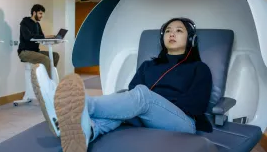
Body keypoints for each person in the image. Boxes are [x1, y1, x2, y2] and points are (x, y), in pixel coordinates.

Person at [30, 17, 213, 152]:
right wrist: (141, 107)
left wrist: (154, 103)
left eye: (179, 30)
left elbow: (196, 105)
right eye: (167, 30)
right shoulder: (148, 65)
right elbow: (132, 93)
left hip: (182, 122)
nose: (172, 33)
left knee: (140, 96)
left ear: (191, 39)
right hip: (145, 114)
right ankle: (88, 132)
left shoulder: (199, 68)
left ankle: (74, 103)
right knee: (123, 103)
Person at [18, 4, 60, 77]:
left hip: (35, 51)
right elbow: (28, 37)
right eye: (40, 13)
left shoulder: (37, 24)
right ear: (34, 13)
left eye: (42, 14)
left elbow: (41, 38)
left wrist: (52, 39)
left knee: (55, 56)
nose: (41, 16)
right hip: (24, 52)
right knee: (46, 59)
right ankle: (48, 82)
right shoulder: (25, 22)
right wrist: (46, 36)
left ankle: (51, 77)